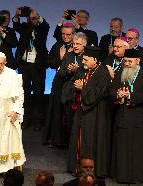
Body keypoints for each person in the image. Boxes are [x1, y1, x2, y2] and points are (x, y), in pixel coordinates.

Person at [63, 46, 111, 177]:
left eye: (85, 59)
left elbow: (96, 95)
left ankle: (89, 170)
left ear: (95, 60)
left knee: (90, 141)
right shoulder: (82, 71)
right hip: (81, 113)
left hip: (95, 114)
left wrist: (83, 88)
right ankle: (76, 168)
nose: (82, 62)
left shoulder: (103, 73)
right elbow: (69, 85)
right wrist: (75, 88)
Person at [110, 49, 143, 183]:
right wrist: (117, 95)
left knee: (137, 150)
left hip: (138, 119)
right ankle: (122, 176)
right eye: (125, 61)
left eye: (130, 61)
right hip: (122, 117)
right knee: (122, 149)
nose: (127, 63)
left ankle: (137, 177)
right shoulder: (120, 72)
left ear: (138, 61)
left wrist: (131, 96)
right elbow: (111, 90)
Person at [45, 32, 87, 147]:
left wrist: (78, 70)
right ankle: (68, 144)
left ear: (85, 44)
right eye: (74, 44)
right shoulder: (68, 56)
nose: (75, 46)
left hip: (83, 94)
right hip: (69, 93)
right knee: (68, 120)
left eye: (78, 44)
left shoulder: (88, 56)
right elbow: (60, 73)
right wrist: (69, 70)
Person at [13, 7, 49, 131]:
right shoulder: (24, 28)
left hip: (38, 66)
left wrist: (37, 16)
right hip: (24, 66)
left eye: (34, 18)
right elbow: (15, 25)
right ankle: (26, 119)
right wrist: (17, 15)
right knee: (25, 94)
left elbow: (45, 25)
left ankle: (38, 121)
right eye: (30, 18)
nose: (32, 19)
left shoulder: (42, 29)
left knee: (39, 94)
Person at [43, 23, 75, 147]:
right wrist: (61, 58)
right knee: (56, 109)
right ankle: (55, 139)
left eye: (68, 34)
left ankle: (67, 140)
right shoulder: (57, 45)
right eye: (63, 34)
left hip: (71, 82)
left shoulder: (77, 47)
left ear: (73, 34)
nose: (65, 37)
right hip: (59, 81)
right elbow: (50, 62)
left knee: (67, 111)